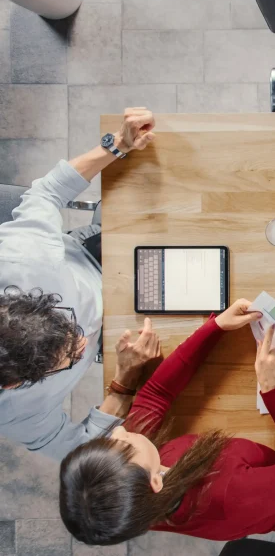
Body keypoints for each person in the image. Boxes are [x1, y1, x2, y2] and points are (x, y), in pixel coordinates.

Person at [59, 299, 275, 545]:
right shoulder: (227, 499)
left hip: (274, 468)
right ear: (155, 482)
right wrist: (273, 391)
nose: (119, 430)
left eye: (109, 441)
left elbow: (156, 394)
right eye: (123, 445)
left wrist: (217, 327)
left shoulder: (134, 496)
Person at [0, 108, 162, 459]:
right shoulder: (15, 413)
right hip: (120, 336)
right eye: (72, 355)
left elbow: (47, 193)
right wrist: (122, 382)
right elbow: (78, 447)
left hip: (96, 257)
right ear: (14, 384)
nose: (82, 341)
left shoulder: (22, 259)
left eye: (68, 326)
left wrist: (117, 145)